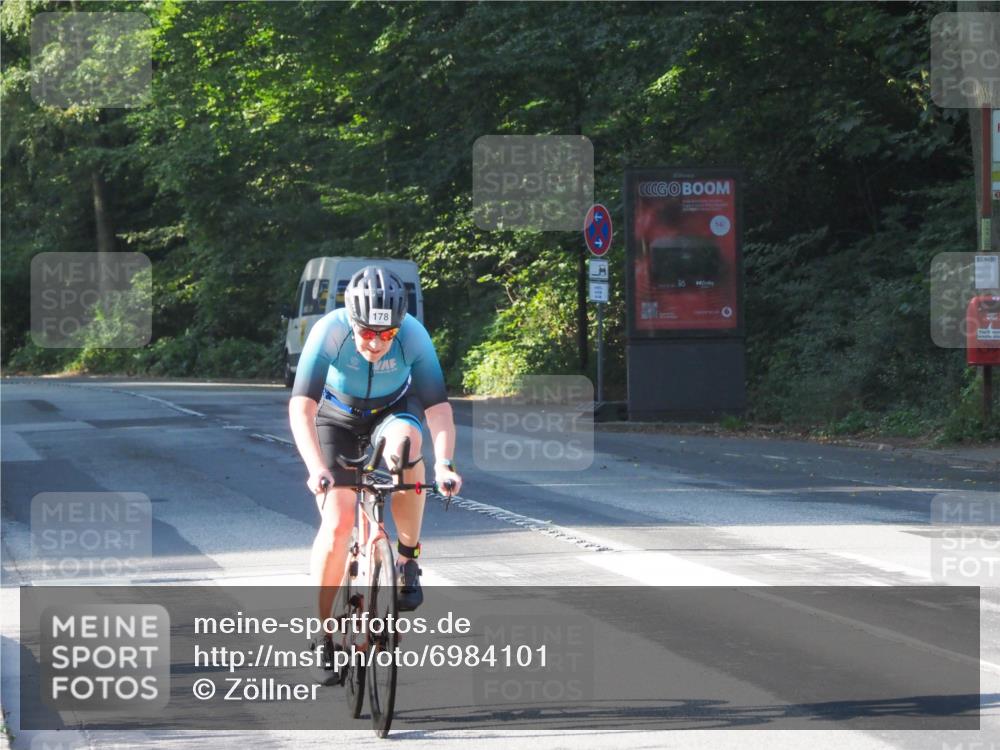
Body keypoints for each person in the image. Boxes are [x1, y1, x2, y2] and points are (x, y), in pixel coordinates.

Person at [288, 264, 462, 685]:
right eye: (367, 332)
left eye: (387, 334)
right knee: (338, 523)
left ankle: (407, 557)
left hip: (390, 414)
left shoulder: (414, 336)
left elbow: (438, 409)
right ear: (352, 320)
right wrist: (316, 469)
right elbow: (302, 408)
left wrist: (444, 465)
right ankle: (325, 632)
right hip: (337, 420)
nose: (377, 343)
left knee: (407, 446)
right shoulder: (329, 332)